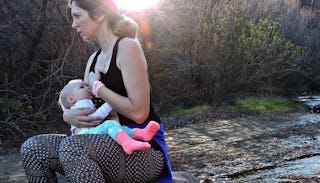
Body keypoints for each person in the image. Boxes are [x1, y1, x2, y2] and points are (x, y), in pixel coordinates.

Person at [20, 0, 172, 182]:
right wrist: (68, 115)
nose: (73, 24)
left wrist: (99, 88)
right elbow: (87, 108)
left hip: (141, 148)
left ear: (99, 15)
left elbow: (139, 113)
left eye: (77, 16)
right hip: (101, 142)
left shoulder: (127, 47)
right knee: (33, 148)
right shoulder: (93, 60)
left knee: (73, 147)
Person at [58, 78, 160, 155]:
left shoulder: (83, 103)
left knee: (119, 128)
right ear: (71, 99)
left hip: (89, 134)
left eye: (86, 85)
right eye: (82, 87)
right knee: (110, 124)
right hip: (85, 135)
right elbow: (95, 118)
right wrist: (110, 103)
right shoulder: (81, 104)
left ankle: (141, 133)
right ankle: (128, 143)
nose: (87, 88)